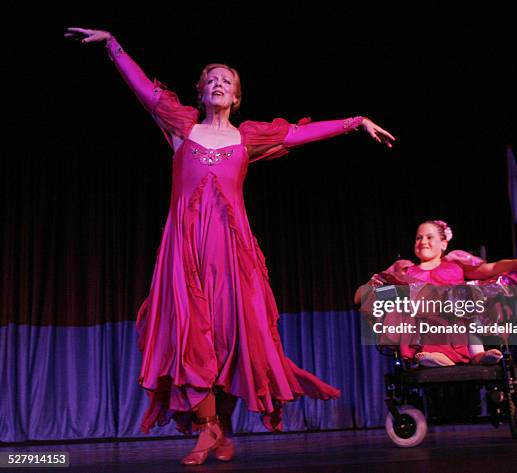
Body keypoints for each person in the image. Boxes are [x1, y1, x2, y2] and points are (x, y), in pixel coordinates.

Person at [64, 27, 395, 466]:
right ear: (200, 92)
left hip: (232, 253)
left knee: (232, 337)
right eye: (212, 79)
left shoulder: (248, 136)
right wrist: (112, 45)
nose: (219, 84)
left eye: (228, 81)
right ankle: (206, 430)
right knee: (190, 334)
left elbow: (298, 134)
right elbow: (143, 90)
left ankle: (223, 425)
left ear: (236, 98)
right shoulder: (182, 125)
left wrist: (355, 122)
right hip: (185, 249)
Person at [354, 220, 517, 367]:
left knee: (470, 296)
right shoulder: (404, 269)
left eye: (429, 237)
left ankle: (477, 354)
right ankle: (438, 355)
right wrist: (373, 287)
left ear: (444, 243)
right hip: (426, 321)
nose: (423, 242)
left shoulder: (455, 262)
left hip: (460, 312)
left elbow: (490, 268)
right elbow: (365, 295)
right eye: (418, 238)